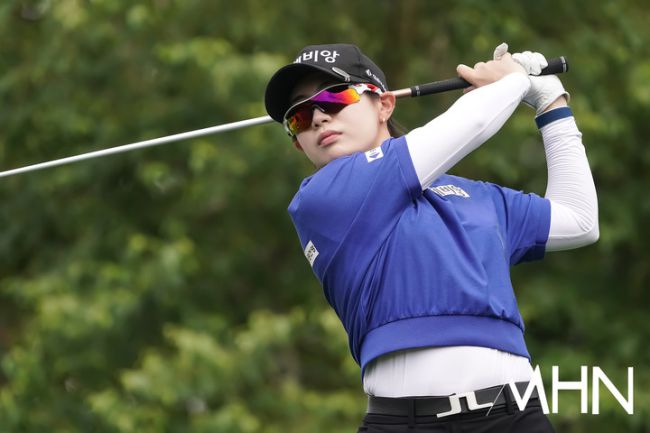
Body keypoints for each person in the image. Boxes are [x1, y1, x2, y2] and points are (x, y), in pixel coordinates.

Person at [264, 43, 598, 432]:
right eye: (299, 117)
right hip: (403, 423)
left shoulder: (474, 195)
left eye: (335, 97)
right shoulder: (322, 198)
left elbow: (579, 220)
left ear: (384, 105)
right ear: (297, 140)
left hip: (514, 417)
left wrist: (551, 104)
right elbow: (470, 123)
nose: (319, 117)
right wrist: (515, 80)